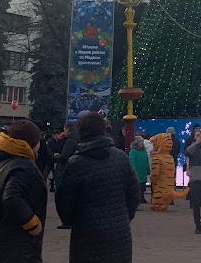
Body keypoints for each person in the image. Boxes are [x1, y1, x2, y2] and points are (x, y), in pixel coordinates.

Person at [56, 113, 140, 263]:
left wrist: (69, 221)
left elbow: (64, 200)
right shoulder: (120, 157)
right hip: (119, 232)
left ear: (81, 132)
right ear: (103, 129)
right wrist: (125, 217)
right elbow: (134, 192)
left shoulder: (76, 163)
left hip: (86, 232)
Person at [0, 120, 47, 263]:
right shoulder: (23, 165)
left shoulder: (3, 160)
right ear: (31, 142)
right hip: (17, 243)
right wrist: (32, 223)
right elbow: (11, 196)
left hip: (0, 238)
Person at [54, 122, 78, 230]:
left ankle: (66, 221)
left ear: (68, 129)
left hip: (63, 171)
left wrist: (56, 156)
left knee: (61, 197)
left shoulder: (70, 141)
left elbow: (64, 156)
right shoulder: (76, 140)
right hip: (71, 171)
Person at [129, 136, 150, 207]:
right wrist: (134, 170)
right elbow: (132, 161)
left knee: (142, 187)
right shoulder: (133, 151)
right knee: (137, 188)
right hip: (137, 173)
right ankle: (137, 202)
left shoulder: (144, 151)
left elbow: (147, 161)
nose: (142, 143)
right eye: (140, 141)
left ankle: (141, 198)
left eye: (142, 141)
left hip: (143, 172)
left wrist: (148, 170)